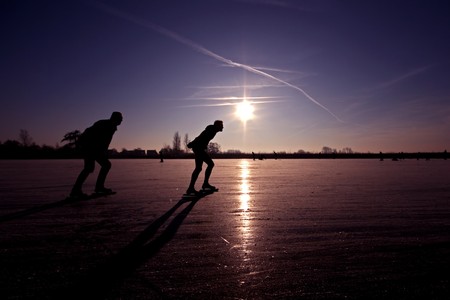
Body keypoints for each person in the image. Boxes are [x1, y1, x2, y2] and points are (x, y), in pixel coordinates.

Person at [70, 112, 123, 197]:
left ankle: (99, 187)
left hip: (94, 148)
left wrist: (103, 151)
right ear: (115, 118)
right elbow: (94, 136)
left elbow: (105, 141)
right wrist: (97, 149)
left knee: (105, 165)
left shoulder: (112, 126)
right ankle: (76, 190)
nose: (122, 120)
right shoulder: (105, 124)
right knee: (89, 168)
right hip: (89, 147)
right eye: (120, 118)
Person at [186, 120, 224, 195]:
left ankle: (200, 185)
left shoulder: (213, 130)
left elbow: (201, 136)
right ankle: (194, 187)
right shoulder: (211, 130)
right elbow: (201, 137)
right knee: (208, 165)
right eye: (221, 125)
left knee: (201, 167)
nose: (223, 127)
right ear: (217, 126)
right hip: (198, 148)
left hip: (199, 148)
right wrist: (192, 143)